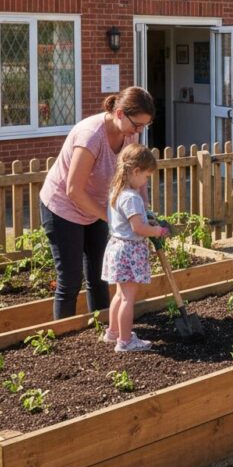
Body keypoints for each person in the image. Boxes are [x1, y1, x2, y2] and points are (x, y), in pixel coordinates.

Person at [39, 87, 155, 319]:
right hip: (63, 208)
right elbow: (73, 190)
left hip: (98, 206)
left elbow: (136, 174)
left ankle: (103, 329)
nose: (139, 131)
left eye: (144, 126)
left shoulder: (130, 133)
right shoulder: (91, 136)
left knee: (100, 276)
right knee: (70, 280)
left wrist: (144, 209)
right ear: (120, 113)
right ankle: (64, 340)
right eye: (137, 124)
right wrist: (112, 217)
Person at [101, 144, 166, 352]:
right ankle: (126, 341)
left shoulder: (117, 191)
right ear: (136, 171)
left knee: (120, 295)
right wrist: (157, 231)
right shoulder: (131, 197)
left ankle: (113, 332)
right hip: (129, 250)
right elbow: (138, 227)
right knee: (128, 298)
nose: (146, 181)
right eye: (146, 176)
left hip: (117, 247)